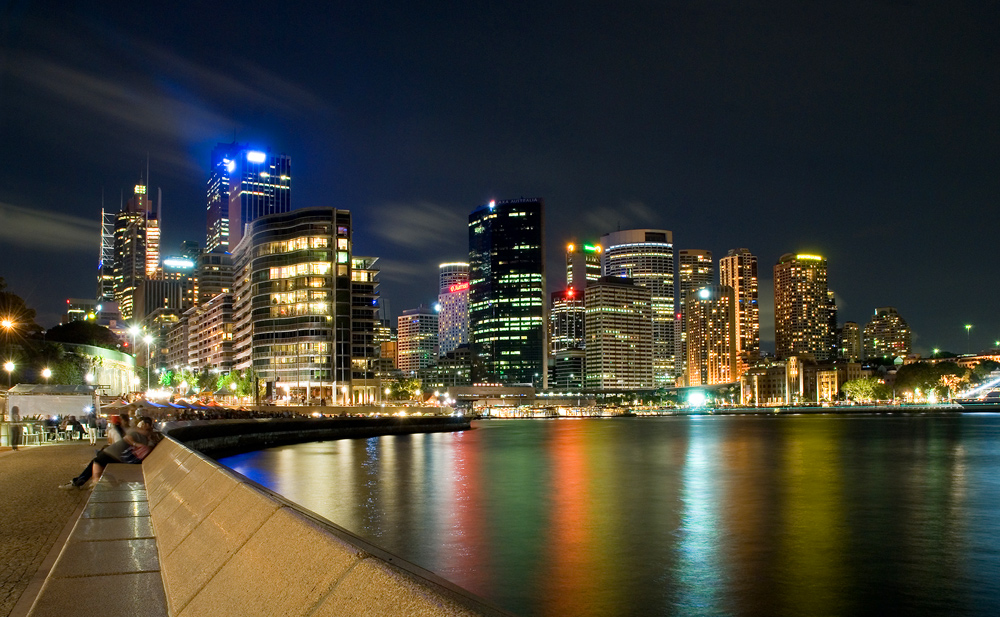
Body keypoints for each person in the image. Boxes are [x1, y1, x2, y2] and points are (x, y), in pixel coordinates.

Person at [60, 416, 160, 489]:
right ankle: (80, 481)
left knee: (98, 460)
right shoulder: (140, 433)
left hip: (121, 456)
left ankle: (93, 481)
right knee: (97, 460)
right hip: (120, 455)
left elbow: (129, 438)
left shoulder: (142, 434)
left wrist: (137, 444)